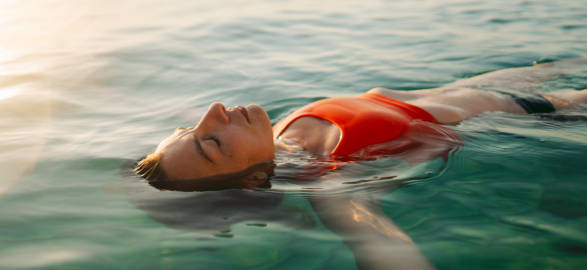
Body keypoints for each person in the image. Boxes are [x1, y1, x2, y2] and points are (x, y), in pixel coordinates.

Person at [131, 59, 587, 269]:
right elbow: (377, 241)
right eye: (211, 143)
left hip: (469, 86)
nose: (212, 111)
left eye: (191, 129)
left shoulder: (280, 138)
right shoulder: (331, 180)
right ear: (253, 179)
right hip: (522, 109)